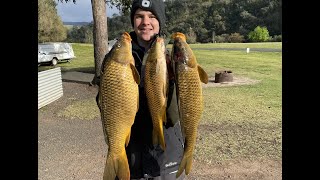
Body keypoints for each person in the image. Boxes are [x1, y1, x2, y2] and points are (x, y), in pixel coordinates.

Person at [97, 0, 186, 179]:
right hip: (131, 155)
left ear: (160, 22)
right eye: (139, 16)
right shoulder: (113, 59)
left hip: (166, 155)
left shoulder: (174, 59)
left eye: (152, 16)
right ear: (133, 20)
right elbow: (103, 102)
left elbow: (175, 115)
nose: (145, 22)